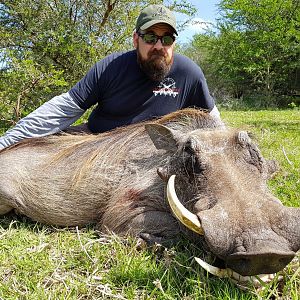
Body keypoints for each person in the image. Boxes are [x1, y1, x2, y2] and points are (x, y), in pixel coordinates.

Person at [0, 4, 220, 150]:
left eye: (167, 39)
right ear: (136, 39)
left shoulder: (189, 74)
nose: (159, 46)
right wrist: (5, 143)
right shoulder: (109, 68)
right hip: (96, 142)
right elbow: (60, 111)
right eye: (151, 37)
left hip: (152, 154)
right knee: (37, 151)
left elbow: (214, 124)